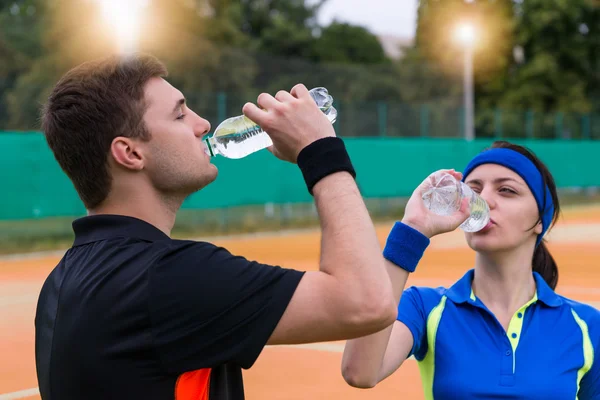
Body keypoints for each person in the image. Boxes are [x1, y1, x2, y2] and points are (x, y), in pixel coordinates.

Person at [34, 53, 398, 400]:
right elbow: (366, 302)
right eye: (179, 116)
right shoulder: (167, 279)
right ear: (130, 153)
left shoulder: (60, 283)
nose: (203, 124)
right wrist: (320, 150)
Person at [342, 140, 600, 399]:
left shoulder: (586, 326)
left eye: (507, 190)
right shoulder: (425, 307)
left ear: (539, 221)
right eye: (474, 189)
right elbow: (360, 371)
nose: (484, 199)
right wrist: (412, 229)